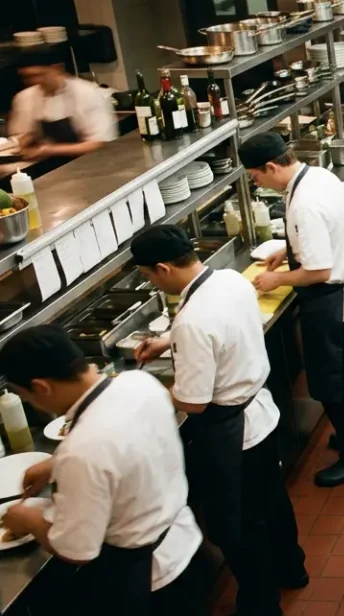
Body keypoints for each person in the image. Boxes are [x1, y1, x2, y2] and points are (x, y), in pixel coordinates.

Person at [129, 225, 307, 614]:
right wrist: (169, 340)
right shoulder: (229, 280)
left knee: (239, 526)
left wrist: (153, 392)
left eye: (149, 277)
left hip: (231, 432)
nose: (154, 284)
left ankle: (261, 605)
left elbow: (193, 402)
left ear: (162, 268)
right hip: (261, 413)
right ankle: (293, 570)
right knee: (273, 502)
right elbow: (224, 330)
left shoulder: (192, 320)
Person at [0, 326, 207, 616]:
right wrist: (55, 463)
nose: (34, 404)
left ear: (42, 387)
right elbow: (127, 444)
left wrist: (31, 520)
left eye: (27, 397)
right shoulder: (140, 382)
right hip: (184, 542)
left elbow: (76, 551)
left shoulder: (82, 451)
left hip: (148, 578)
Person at [239, 133, 344, 487]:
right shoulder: (317, 176)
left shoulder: (304, 203)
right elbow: (324, 236)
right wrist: (287, 251)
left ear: (271, 167)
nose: (258, 183)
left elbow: (319, 271)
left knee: (334, 384)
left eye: (256, 176)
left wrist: (278, 279)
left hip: (330, 303)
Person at [9, 48, 116, 168]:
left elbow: (99, 143)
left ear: (57, 69)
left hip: (91, 163)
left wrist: (49, 150)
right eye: (27, 77)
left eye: (39, 75)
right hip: (48, 166)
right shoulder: (25, 97)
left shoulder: (87, 92)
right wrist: (25, 140)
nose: (35, 81)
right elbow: (22, 134)